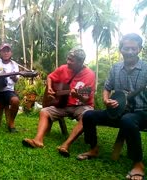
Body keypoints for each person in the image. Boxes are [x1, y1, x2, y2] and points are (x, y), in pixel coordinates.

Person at [77, 33, 147, 180]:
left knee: (128, 120)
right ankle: (93, 149)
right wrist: (106, 100)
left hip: (141, 112)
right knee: (88, 115)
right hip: (117, 111)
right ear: (121, 49)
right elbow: (107, 87)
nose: (129, 52)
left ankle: (138, 163)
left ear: (139, 49)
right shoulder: (116, 68)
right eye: (126, 48)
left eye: (133, 48)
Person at [22, 47, 96, 157]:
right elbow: (50, 77)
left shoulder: (89, 75)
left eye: (72, 60)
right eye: (68, 58)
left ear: (80, 62)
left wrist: (77, 95)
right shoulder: (63, 68)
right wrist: (50, 88)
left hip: (82, 106)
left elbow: (86, 99)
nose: (68, 62)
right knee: (44, 111)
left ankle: (66, 145)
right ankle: (38, 140)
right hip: (63, 104)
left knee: (87, 116)